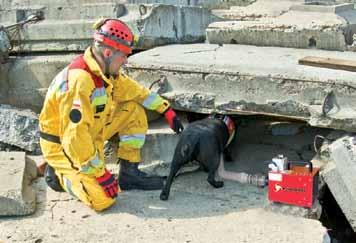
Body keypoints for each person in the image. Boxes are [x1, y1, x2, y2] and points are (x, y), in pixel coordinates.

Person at [38, 18, 184, 211]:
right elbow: (75, 139)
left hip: (91, 133)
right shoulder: (79, 82)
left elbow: (136, 91)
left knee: (133, 110)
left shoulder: (105, 72)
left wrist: (165, 109)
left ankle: (129, 175)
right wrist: (100, 174)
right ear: (108, 53)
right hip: (65, 146)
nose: (125, 61)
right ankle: (58, 176)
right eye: (123, 56)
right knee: (103, 200)